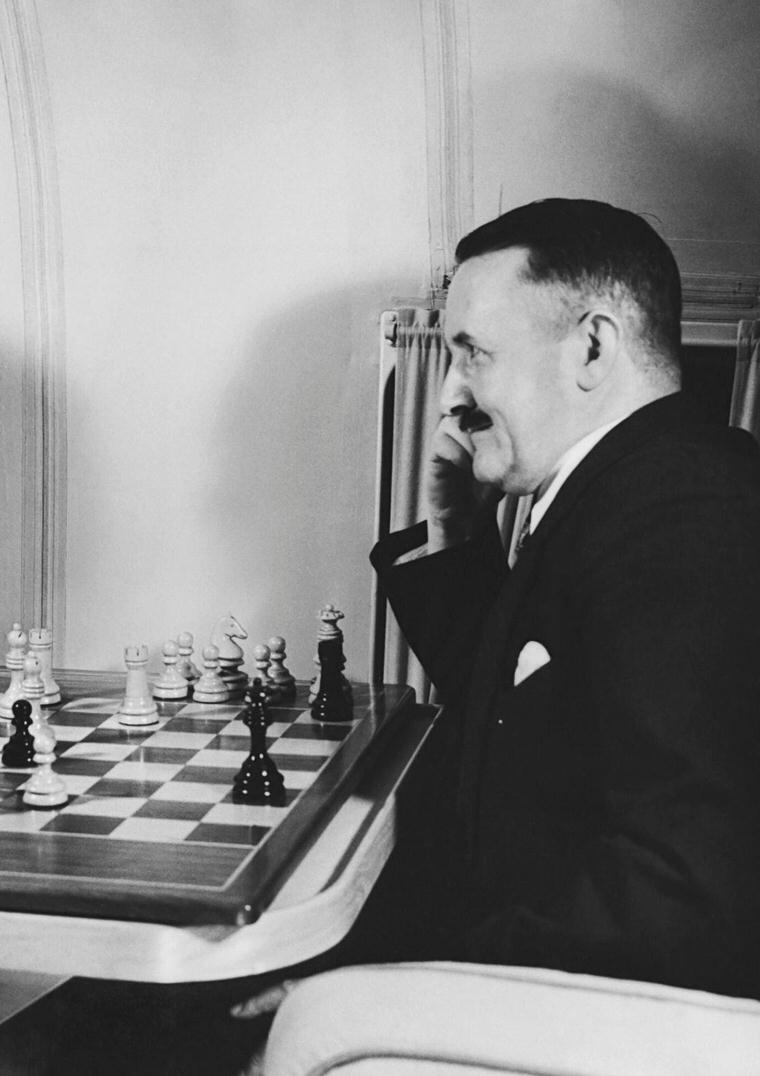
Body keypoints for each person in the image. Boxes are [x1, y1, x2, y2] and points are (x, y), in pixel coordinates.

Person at [233, 199, 760, 1059]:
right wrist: (457, 537)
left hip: (608, 1014)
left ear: (593, 346)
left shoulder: (681, 518)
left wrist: (401, 985)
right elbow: (522, 717)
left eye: (473, 353)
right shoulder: (623, 494)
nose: (451, 395)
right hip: (529, 956)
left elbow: (681, 892)